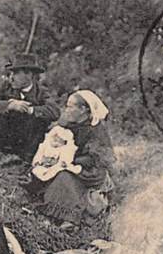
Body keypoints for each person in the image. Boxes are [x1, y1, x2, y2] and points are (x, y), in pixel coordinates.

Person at [29, 90, 116, 224]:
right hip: (67, 163)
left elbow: (96, 159)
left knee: (63, 177)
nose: (66, 110)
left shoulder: (95, 130)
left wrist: (70, 161)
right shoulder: (68, 125)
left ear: (83, 109)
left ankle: (67, 216)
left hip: (89, 171)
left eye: (70, 106)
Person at [0, 53, 61, 159]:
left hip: (27, 141)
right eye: (11, 73)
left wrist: (30, 110)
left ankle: (27, 160)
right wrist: (10, 105)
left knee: (39, 121)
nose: (11, 77)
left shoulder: (41, 92)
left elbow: (55, 111)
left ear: (29, 75)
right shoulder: (5, 87)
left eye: (16, 73)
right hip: (6, 136)